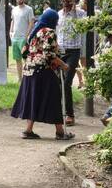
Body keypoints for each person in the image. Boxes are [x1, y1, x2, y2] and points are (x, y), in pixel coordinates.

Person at [10, 8, 73, 141]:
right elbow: (49, 55)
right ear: (52, 20)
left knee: (34, 98)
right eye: (56, 20)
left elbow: (24, 52)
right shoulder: (49, 32)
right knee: (54, 97)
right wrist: (63, 64)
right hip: (43, 70)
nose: (56, 23)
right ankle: (60, 132)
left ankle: (28, 130)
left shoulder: (34, 32)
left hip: (29, 70)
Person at [56, 0, 85, 126]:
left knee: (67, 82)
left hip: (73, 52)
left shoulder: (80, 14)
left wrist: (73, 11)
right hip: (60, 52)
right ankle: (58, 112)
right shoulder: (58, 14)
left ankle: (70, 115)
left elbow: (85, 28)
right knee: (59, 83)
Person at [9, 0, 35, 82]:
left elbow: (31, 23)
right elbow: (13, 21)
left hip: (23, 38)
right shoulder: (14, 9)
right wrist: (10, 32)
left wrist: (26, 36)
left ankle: (27, 79)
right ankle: (20, 79)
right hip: (14, 38)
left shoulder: (29, 9)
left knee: (25, 59)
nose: (19, 0)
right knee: (17, 59)